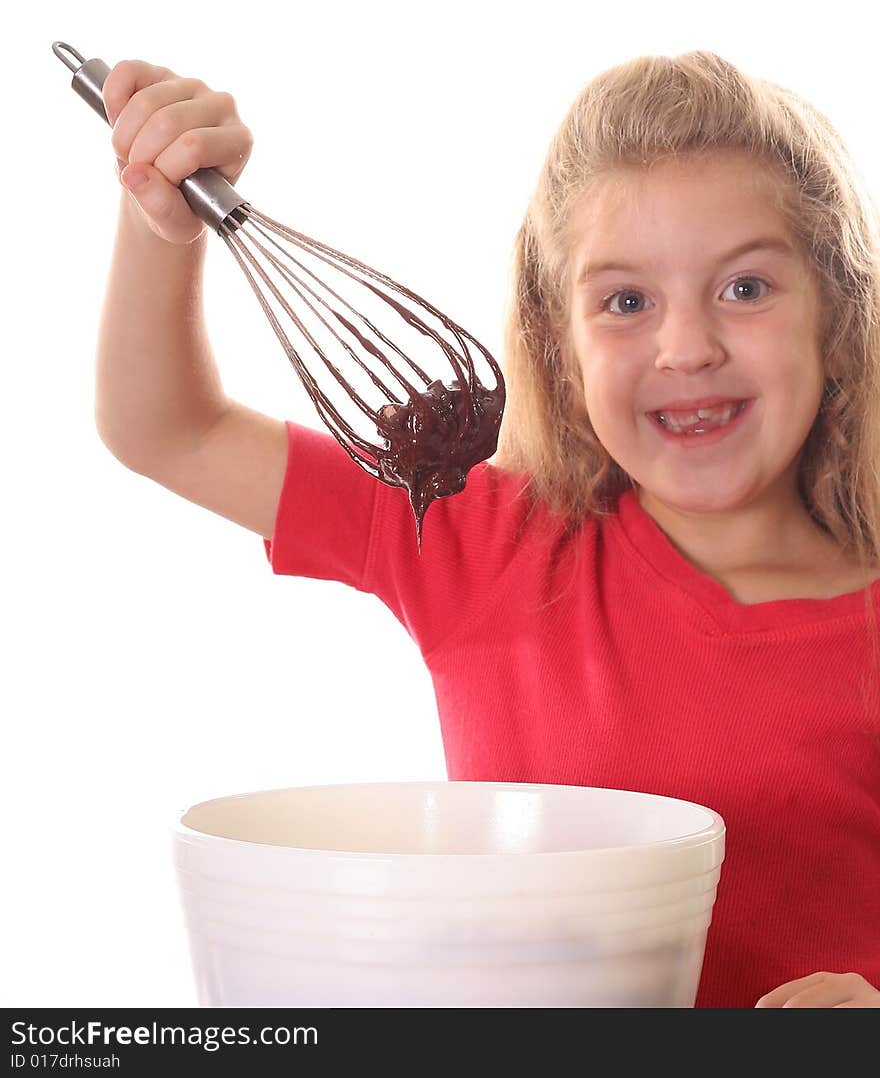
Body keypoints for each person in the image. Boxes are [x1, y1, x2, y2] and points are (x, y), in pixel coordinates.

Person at [96, 51, 880, 1009]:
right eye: (626, 302)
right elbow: (170, 429)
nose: (688, 347)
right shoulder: (485, 544)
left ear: (838, 315)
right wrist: (160, 227)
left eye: (746, 288)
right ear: (560, 344)